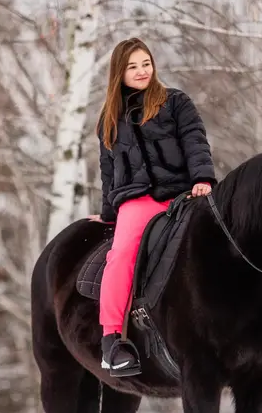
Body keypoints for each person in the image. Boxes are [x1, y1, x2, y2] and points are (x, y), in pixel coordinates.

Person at [90, 37, 216, 376]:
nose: (142, 70)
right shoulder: (108, 120)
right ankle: (112, 340)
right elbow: (108, 171)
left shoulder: (175, 102)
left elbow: (194, 139)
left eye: (145, 63)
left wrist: (202, 177)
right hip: (138, 199)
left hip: (183, 192)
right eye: (132, 66)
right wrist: (107, 214)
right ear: (119, 72)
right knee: (121, 254)